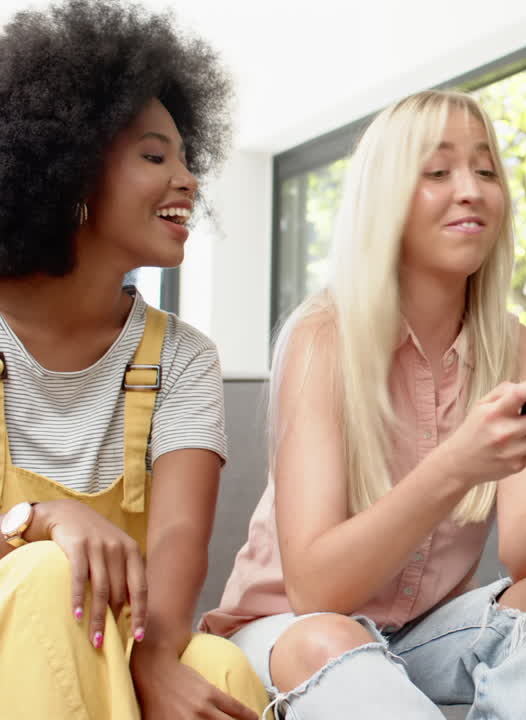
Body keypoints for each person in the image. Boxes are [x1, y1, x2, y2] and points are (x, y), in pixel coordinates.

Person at [202, 89, 526, 718]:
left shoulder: (515, 347)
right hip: (290, 629)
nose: (472, 190)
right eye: (438, 172)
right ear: (386, 199)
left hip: (425, 636)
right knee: (334, 639)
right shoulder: (324, 336)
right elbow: (317, 588)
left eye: (486, 170)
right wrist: (456, 466)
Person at [0, 0, 267, 717]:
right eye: (155, 156)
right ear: (68, 172)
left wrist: (153, 663)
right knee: (51, 575)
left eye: (186, 157)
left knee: (221, 671)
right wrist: (42, 519)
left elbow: (181, 537)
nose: (187, 180)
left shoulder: (180, 357)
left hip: (111, 633)